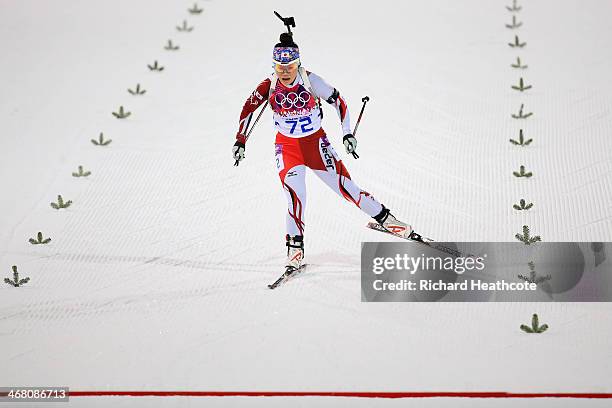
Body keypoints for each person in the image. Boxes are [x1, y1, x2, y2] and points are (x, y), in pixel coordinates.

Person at [233, 32, 412, 270]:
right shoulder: (269, 85)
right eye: (279, 66)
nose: (284, 72)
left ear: (298, 63)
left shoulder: (310, 80)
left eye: (289, 66)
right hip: (287, 148)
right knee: (296, 197)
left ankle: (387, 220)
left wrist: (347, 132)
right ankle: (295, 250)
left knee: (347, 189)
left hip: (316, 145)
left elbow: (339, 101)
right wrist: (240, 140)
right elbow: (248, 109)